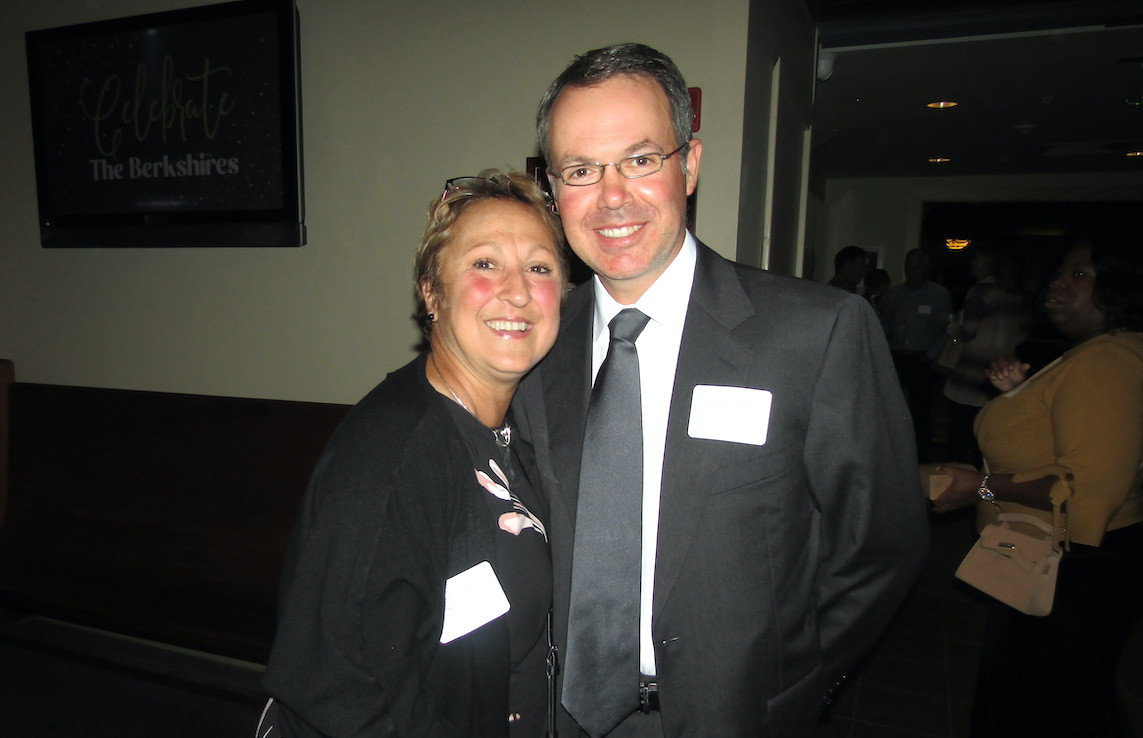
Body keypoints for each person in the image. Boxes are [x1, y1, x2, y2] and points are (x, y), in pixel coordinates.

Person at [512, 43, 929, 737]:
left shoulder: (815, 332)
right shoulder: (534, 343)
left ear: (690, 166)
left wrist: (796, 686)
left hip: (735, 717)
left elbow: (882, 545)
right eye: (581, 170)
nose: (612, 196)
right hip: (560, 716)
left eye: (641, 160)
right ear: (553, 191)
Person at [260, 171, 567, 737]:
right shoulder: (393, 454)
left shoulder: (522, 431)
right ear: (431, 290)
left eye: (540, 267)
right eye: (484, 263)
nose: (518, 291)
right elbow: (339, 694)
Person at [934, 238, 1143, 737]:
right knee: (1056, 694)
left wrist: (982, 488)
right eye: (1060, 273)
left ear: (1118, 288)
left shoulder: (1109, 361)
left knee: (1049, 706)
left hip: (1076, 564)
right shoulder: (1094, 355)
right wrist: (1019, 397)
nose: (1058, 282)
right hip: (1058, 555)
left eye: (1079, 275)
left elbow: (1084, 488)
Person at [940, 244, 1025, 464]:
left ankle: (952, 490)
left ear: (988, 262)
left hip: (971, 373)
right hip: (999, 374)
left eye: (976, 258)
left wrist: (951, 328)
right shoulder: (1013, 293)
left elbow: (967, 332)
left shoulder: (980, 292)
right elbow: (1020, 335)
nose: (972, 263)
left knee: (958, 439)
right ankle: (982, 490)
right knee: (985, 441)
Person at [882, 248, 953, 461]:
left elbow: (946, 330)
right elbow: (882, 323)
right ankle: (891, 452)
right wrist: (888, 332)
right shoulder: (894, 293)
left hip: (922, 359)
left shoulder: (939, 295)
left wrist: (930, 356)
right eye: (908, 265)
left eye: (916, 266)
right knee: (891, 407)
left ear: (925, 268)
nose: (911, 270)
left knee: (921, 410)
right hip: (896, 357)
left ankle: (922, 456)